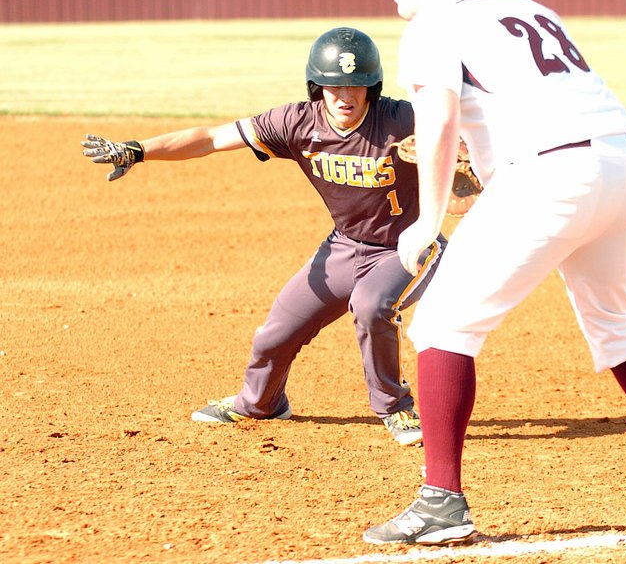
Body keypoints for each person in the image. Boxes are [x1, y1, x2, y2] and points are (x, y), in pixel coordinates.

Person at [362, 0, 626, 543]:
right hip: (624, 164)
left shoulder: (435, 21)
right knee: (617, 325)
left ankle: (441, 503)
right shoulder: (531, 8)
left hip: (551, 174)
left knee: (442, 325)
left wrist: (427, 217)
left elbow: (440, 119)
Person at [82, 27, 447, 447]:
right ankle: (262, 402)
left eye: (358, 85)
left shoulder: (403, 120)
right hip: (345, 245)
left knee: (371, 306)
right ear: (317, 87)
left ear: (373, 87)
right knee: (276, 332)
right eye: (334, 85)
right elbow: (213, 139)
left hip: (408, 245)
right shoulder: (295, 122)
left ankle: (396, 409)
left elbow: (468, 140)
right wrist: (138, 149)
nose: (346, 95)